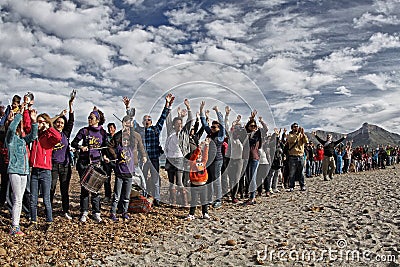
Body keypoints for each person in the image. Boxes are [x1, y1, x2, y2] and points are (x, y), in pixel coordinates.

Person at [71, 107, 108, 223]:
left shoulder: (102, 132)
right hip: (84, 163)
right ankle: (84, 212)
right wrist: (81, 147)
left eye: (91, 118)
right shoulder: (84, 131)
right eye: (88, 117)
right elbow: (74, 143)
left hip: (96, 164)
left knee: (95, 190)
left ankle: (96, 213)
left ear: (97, 119)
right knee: (84, 189)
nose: (89, 119)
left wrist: (106, 157)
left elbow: (106, 147)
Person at [5, 105, 38, 236]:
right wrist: (19, 113)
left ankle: (15, 225)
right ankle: (14, 226)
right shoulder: (10, 139)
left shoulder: (23, 140)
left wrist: (34, 121)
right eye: (21, 126)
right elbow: (12, 128)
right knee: (18, 199)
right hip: (14, 170)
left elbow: (34, 136)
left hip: (24, 171)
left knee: (20, 198)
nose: (22, 128)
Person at [140, 94, 174, 206]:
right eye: (145, 119)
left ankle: (157, 199)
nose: (147, 120)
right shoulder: (140, 131)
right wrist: (128, 108)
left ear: (151, 121)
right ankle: (143, 198)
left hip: (154, 158)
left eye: (149, 119)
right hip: (143, 160)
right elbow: (131, 121)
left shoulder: (156, 129)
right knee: (143, 180)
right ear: (143, 122)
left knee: (155, 180)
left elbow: (163, 118)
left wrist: (167, 105)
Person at [29, 112, 61, 230]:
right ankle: (33, 221)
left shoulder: (49, 136)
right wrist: (33, 120)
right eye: (39, 122)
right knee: (33, 198)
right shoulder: (35, 135)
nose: (40, 124)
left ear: (46, 122)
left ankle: (49, 222)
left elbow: (58, 137)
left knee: (46, 199)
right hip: (35, 170)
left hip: (45, 170)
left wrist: (49, 127)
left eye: (42, 121)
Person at [50, 91, 75, 219]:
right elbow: (48, 122)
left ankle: (65, 210)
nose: (60, 124)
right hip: (53, 165)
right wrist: (59, 115)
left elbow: (71, 121)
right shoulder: (50, 133)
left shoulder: (65, 134)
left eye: (61, 122)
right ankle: (49, 210)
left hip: (65, 166)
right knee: (51, 188)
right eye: (58, 122)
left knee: (64, 190)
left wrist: (70, 106)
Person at [108, 116, 137, 221]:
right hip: (119, 174)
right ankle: (113, 213)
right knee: (116, 196)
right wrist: (114, 157)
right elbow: (110, 146)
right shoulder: (119, 147)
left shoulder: (131, 146)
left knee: (126, 196)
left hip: (129, 174)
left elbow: (132, 137)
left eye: (127, 140)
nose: (125, 141)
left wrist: (131, 128)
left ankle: (125, 212)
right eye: (123, 140)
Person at [165, 99, 192, 206]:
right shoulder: (170, 132)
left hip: (180, 159)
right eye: (177, 123)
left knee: (180, 182)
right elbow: (168, 119)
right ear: (174, 125)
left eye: (181, 123)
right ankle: (174, 202)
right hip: (170, 159)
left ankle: (185, 202)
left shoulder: (184, 132)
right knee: (171, 183)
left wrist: (189, 108)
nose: (179, 125)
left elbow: (190, 120)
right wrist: (169, 105)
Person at [199, 101, 224, 208]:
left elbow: (222, 124)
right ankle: (210, 199)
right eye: (212, 127)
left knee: (216, 179)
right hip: (209, 160)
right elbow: (204, 124)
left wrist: (217, 111)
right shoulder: (210, 133)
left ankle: (218, 200)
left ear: (218, 129)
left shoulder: (220, 136)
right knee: (209, 180)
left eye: (214, 127)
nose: (212, 128)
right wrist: (201, 111)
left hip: (217, 160)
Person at [187, 138, 210, 220]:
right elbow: (193, 157)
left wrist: (206, 145)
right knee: (194, 201)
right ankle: (191, 214)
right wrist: (199, 148)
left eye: (200, 154)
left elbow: (205, 156)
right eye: (198, 155)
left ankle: (205, 213)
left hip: (203, 184)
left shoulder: (203, 162)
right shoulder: (192, 163)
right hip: (194, 185)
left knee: (204, 200)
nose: (199, 156)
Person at [286, 123, 308, 192]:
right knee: (292, 172)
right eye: (295, 127)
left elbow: (306, 141)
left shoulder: (301, 135)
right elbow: (292, 140)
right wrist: (298, 134)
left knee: (301, 172)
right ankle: (291, 186)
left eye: (297, 127)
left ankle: (302, 185)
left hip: (300, 156)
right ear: (292, 128)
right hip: (293, 156)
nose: (296, 128)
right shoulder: (290, 135)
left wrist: (303, 134)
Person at [102, 122, 117, 203]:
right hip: (107, 161)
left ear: (115, 128)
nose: (110, 129)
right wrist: (104, 156)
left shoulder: (118, 137)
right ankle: (107, 195)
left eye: (111, 128)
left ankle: (116, 195)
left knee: (118, 179)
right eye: (109, 128)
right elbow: (103, 148)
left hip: (116, 161)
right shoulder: (106, 137)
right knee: (107, 179)